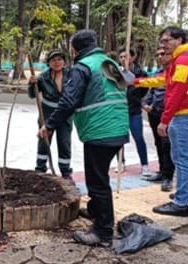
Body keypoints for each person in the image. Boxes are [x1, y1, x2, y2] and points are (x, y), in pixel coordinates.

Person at [39, 29, 129, 247]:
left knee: (97, 182)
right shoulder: (108, 62)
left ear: (74, 49)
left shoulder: (83, 67)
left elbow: (69, 100)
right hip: (118, 127)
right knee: (99, 176)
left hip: (100, 130)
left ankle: (103, 232)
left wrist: (49, 125)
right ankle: (96, 211)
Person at [135, 26, 188, 217]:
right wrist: (136, 82)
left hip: (184, 114)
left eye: (166, 41)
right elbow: (164, 80)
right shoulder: (187, 58)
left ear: (179, 39)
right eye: (162, 42)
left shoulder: (184, 60)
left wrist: (165, 120)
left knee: (181, 158)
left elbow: (177, 91)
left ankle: (180, 203)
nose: (163, 46)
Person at [28, 49, 73, 179]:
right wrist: (32, 84)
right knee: (44, 140)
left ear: (64, 61)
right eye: (53, 60)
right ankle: (40, 169)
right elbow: (32, 95)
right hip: (47, 114)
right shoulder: (43, 77)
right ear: (49, 62)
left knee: (64, 142)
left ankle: (65, 172)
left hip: (65, 115)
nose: (57, 62)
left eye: (59, 59)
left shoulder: (70, 75)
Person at [142, 47, 174, 191]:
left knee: (167, 145)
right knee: (158, 144)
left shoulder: (176, 73)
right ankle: (162, 171)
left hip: (168, 114)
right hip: (154, 113)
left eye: (163, 54)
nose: (160, 57)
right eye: (158, 54)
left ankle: (168, 176)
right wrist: (145, 104)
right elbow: (151, 91)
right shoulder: (157, 74)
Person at [119, 48, 150, 176]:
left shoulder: (140, 73)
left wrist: (138, 100)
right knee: (119, 139)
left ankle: (145, 165)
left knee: (138, 137)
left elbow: (145, 89)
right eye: (120, 57)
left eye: (125, 57)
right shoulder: (116, 73)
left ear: (132, 57)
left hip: (134, 111)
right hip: (120, 111)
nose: (122, 59)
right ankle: (121, 162)